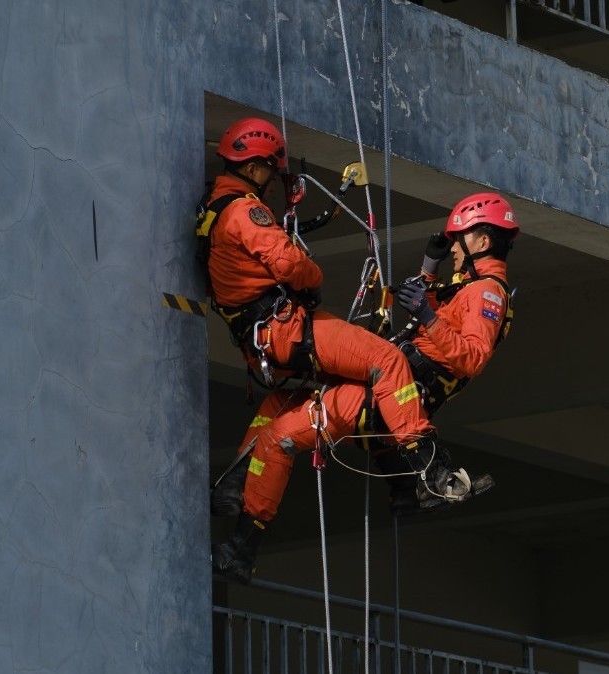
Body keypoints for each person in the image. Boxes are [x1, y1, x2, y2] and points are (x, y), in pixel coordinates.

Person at [202, 118, 499, 582]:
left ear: (482, 240)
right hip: (288, 332)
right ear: (256, 167)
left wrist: (427, 305)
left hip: (280, 339)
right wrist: (426, 269)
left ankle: (425, 476)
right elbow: (290, 263)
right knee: (371, 366)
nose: (454, 250)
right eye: (272, 171)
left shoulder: (216, 208)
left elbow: (467, 351)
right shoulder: (244, 211)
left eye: (460, 241)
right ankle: (423, 481)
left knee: (283, 416)